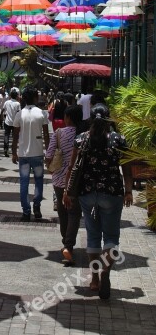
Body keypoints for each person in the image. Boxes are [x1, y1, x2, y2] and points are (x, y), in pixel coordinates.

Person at [63, 104, 133, 300]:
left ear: (91, 119)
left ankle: (94, 280)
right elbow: (127, 169)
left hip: (86, 194)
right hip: (112, 194)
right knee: (111, 237)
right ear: (109, 119)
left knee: (93, 236)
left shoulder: (81, 139)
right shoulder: (118, 140)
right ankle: (106, 272)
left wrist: (67, 191)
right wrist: (128, 191)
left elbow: (71, 166)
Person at [45, 105, 83, 266]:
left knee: (63, 212)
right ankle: (69, 245)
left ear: (67, 118)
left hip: (60, 179)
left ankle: (66, 243)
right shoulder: (83, 135)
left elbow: (48, 155)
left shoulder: (59, 133)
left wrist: (49, 166)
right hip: (77, 180)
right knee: (74, 212)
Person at [12, 85, 49, 221]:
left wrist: (13, 152)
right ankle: (37, 206)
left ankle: (26, 211)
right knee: (39, 181)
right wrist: (49, 152)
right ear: (35, 97)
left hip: (23, 154)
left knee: (24, 182)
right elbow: (46, 135)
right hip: (38, 153)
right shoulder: (42, 113)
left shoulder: (19, 114)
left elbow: (15, 136)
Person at [2, 90, 21, 157]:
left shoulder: (7, 102)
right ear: (16, 96)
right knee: (14, 137)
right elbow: (19, 113)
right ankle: (13, 150)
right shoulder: (18, 104)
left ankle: (6, 149)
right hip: (15, 123)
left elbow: (3, 110)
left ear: (10, 96)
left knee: (6, 135)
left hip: (7, 122)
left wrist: (3, 117)